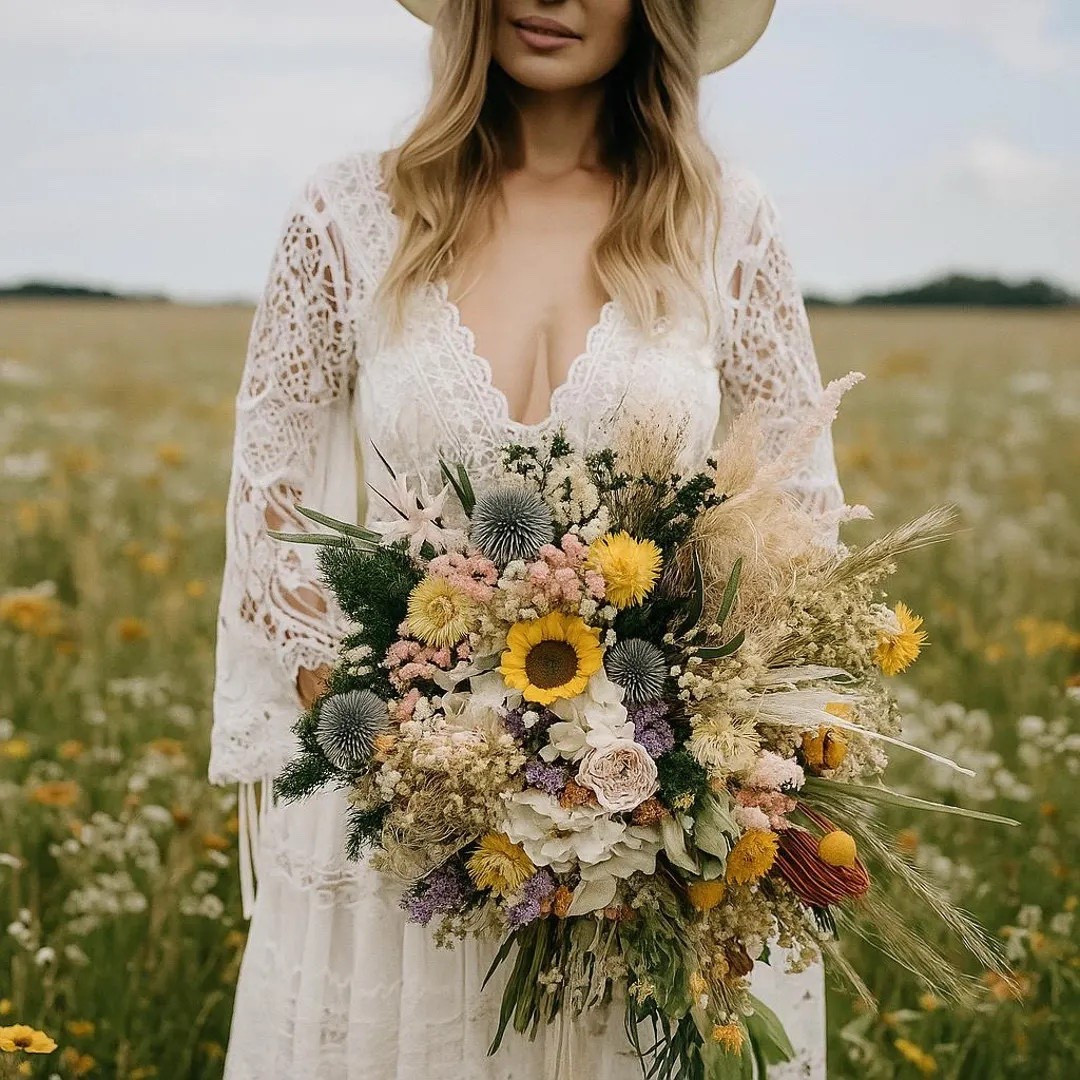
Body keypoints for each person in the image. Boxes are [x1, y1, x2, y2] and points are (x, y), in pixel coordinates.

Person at [210, 1, 846, 1076]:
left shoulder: (723, 220)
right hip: (396, 822)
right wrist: (410, 754)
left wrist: (679, 760)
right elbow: (268, 498)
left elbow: (798, 511)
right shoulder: (351, 212)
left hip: (653, 824)